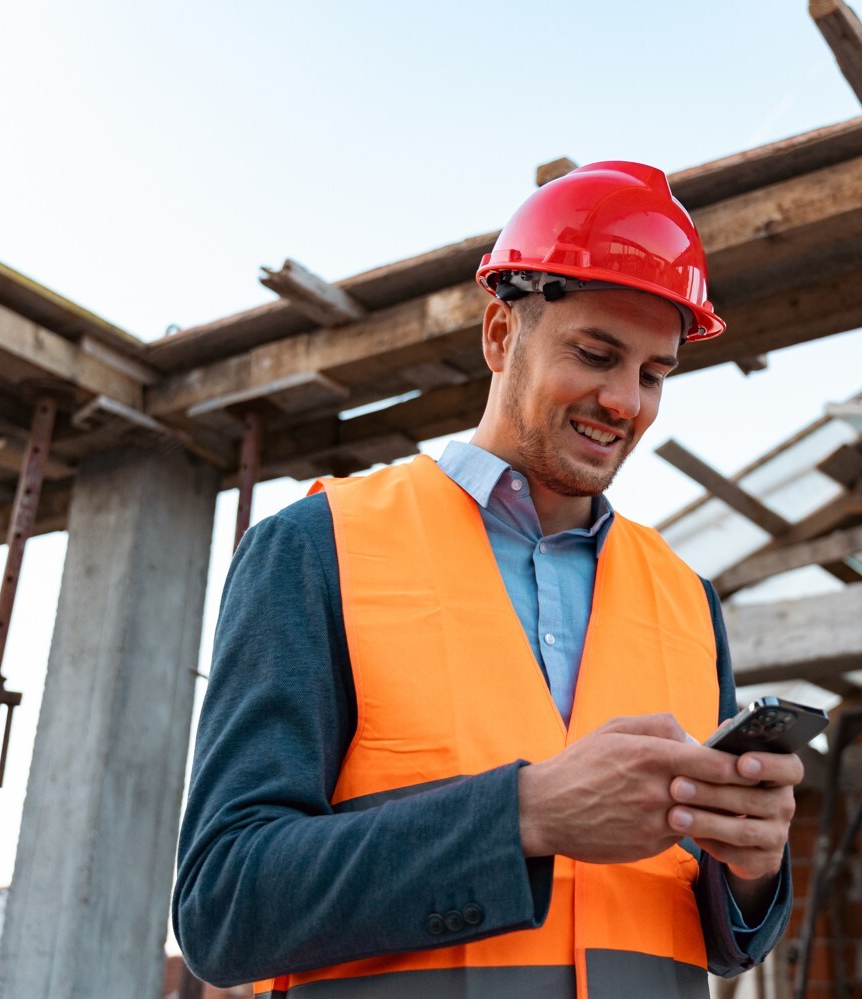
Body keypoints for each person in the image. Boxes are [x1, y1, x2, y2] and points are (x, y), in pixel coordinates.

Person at [173, 161, 797, 999]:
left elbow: (708, 933)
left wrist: (751, 867)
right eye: (596, 353)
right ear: (501, 335)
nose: (625, 401)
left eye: (653, 373)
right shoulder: (318, 546)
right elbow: (225, 904)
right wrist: (525, 813)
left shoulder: (687, 599)